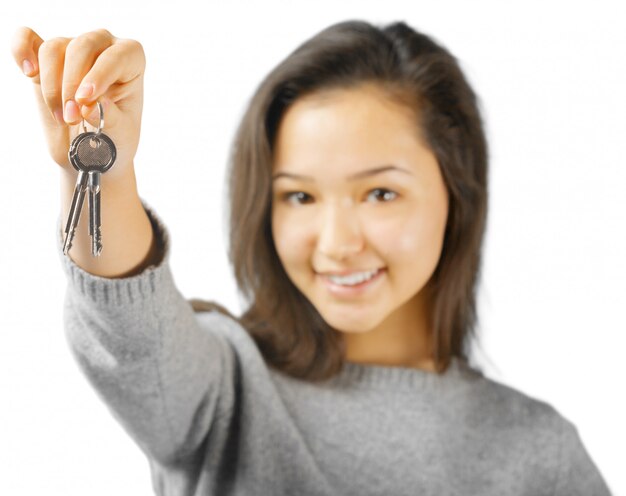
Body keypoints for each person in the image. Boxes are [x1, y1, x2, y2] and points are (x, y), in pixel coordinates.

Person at [12, 20, 612, 496]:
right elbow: (132, 335)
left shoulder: (541, 456)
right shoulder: (224, 389)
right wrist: (102, 175)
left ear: (457, 195)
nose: (335, 242)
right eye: (299, 196)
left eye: (380, 193)